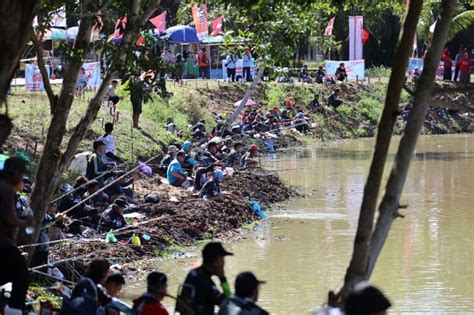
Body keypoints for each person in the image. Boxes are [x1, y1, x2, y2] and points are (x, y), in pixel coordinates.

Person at [0, 157, 33, 310]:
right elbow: (9, 218)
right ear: (13, 172)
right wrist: (25, 221)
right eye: (20, 174)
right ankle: (14, 311)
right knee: (21, 276)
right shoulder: (6, 189)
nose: (21, 178)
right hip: (3, 243)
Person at [178, 242, 233, 315]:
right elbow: (229, 303)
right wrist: (222, 279)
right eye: (222, 259)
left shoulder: (193, 273)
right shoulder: (205, 282)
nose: (224, 262)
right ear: (216, 260)